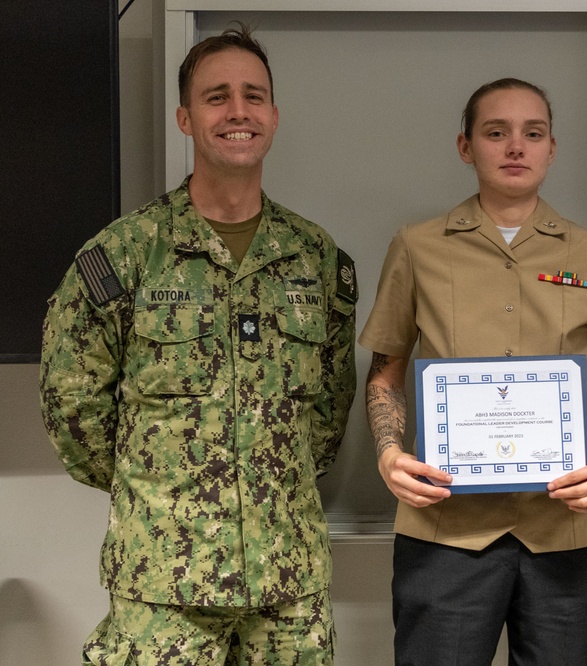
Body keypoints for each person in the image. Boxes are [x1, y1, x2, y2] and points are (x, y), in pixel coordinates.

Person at [39, 24, 356, 665]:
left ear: (273, 115)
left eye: (253, 96)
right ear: (185, 118)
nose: (237, 111)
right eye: (217, 97)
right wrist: (160, 489)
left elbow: (328, 409)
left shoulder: (316, 257)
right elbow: (74, 412)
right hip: (164, 587)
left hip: (288, 587)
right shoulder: (123, 254)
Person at [360, 78, 587, 665]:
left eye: (533, 133)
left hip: (565, 529)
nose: (515, 147)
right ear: (466, 147)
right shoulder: (418, 246)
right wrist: (389, 453)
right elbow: (385, 374)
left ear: (552, 148)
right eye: (496, 132)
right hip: (445, 528)